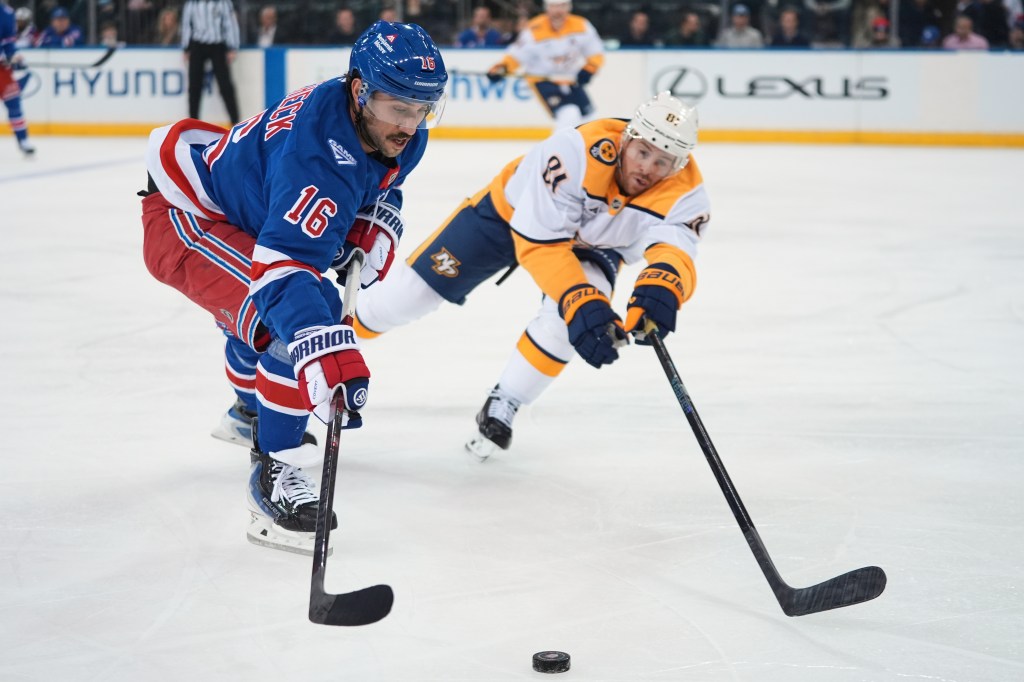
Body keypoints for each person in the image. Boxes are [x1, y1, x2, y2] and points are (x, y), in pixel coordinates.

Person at [139, 21, 448, 554]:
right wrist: (325, 357)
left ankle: (249, 411)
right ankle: (273, 475)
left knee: (259, 317)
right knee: (303, 318)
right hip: (185, 219)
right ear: (359, 90)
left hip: (241, 210)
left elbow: (380, 181)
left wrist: (375, 218)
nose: (411, 124)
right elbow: (284, 274)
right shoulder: (315, 158)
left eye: (424, 109)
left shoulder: (389, 129)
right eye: (399, 107)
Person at [352, 92, 711, 460]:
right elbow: (540, 244)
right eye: (643, 152)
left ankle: (506, 400)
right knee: (406, 298)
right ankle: (331, 345)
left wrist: (664, 285)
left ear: (679, 164)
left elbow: (675, 251)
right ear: (627, 138)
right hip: (507, 217)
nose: (647, 168)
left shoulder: (687, 191)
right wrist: (579, 298)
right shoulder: (574, 150)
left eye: (662, 161)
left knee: (568, 326)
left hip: (596, 245)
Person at [487, 0, 604, 130]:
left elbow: (595, 51)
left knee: (590, 118)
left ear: (568, 7)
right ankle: (558, 149)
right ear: (547, 8)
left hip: (570, 79)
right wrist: (502, 68)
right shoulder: (534, 29)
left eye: (562, 6)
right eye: (554, 6)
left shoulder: (582, 25)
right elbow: (516, 55)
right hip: (543, 80)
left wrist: (590, 69)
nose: (558, 11)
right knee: (568, 114)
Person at [181, 0, 241, 124]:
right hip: (197, 45)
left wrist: (232, 46)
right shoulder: (192, 3)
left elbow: (230, 23)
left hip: (218, 45)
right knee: (194, 86)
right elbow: (187, 24)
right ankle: (193, 122)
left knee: (225, 85)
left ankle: (235, 121)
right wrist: (186, 47)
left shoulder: (223, 3)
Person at [1, 2, 35, 156]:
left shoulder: (7, 14)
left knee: (13, 102)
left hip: (2, 70)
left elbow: (8, 43)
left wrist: (11, 55)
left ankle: (23, 140)